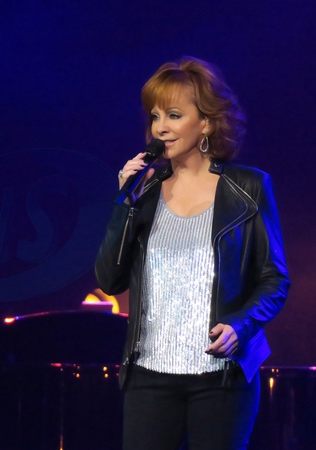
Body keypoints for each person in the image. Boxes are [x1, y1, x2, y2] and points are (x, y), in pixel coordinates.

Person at [95, 57, 290, 450]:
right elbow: (109, 280)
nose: (160, 128)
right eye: (155, 117)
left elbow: (274, 280)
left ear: (206, 123)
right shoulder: (145, 192)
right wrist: (124, 204)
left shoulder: (249, 188)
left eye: (173, 115)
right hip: (149, 375)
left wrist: (240, 325)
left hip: (222, 377)